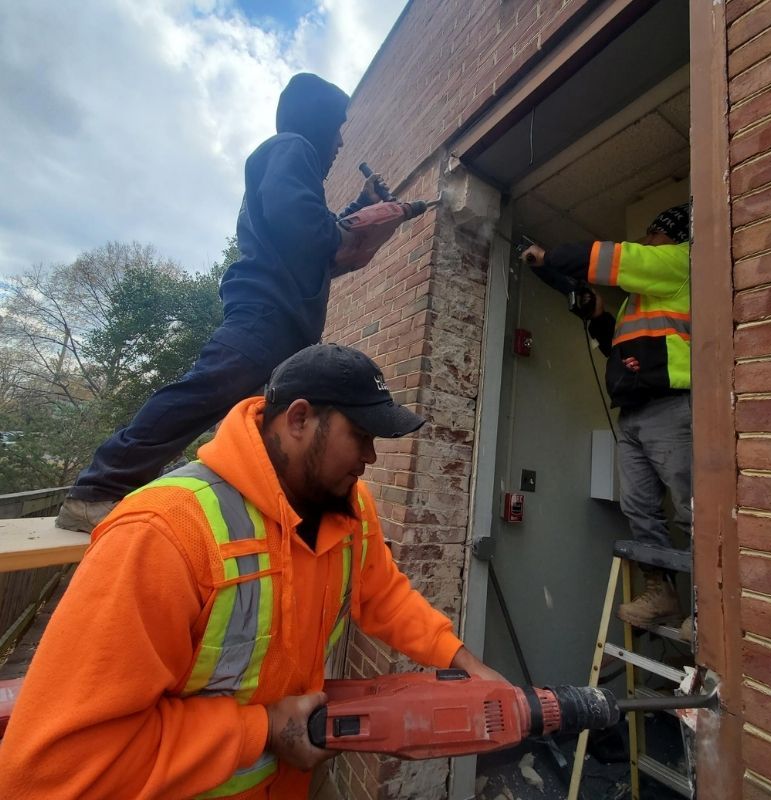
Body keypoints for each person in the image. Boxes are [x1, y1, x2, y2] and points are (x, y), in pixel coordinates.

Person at [0, 344, 504, 799]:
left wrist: (459, 659)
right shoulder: (162, 533)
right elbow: (53, 769)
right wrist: (261, 730)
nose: (371, 458)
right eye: (362, 436)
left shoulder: (350, 506)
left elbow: (384, 595)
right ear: (300, 419)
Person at [56, 72, 399, 533]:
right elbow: (302, 226)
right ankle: (98, 489)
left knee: (263, 424)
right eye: (337, 124)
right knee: (207, 391)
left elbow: (311, 249)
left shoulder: (289, 163)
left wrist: (361, 204)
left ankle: (259, 511)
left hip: (282, 322)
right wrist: (364, 221)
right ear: (316, 119)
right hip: (266, 314)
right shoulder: (290, 147)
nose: (340, 139)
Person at [522, 204, 692, 636]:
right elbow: (618, 349)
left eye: (654, 233)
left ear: (671, 234)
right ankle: (663, 594)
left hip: (671, 406)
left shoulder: (680, 262)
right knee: (639, 509)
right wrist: (598, 317)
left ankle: (711, 612)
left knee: (694, 511)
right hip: (634, 414)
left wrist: (551, 257)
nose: (647, 239)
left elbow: (612, 258)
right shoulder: (642, 300)